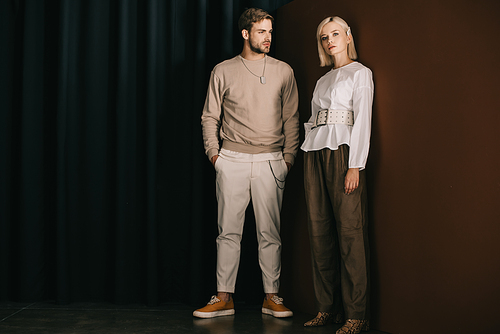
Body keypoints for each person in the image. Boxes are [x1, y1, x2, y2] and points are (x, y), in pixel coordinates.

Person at [194, 8, 299, 319]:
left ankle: (272, 297)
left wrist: (288, 159)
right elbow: (209, 116)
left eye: (270, 31)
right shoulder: (223, 70)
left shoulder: (283, 71)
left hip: (271, 160)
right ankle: (224, 297)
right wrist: (216, 156)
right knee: (228, 232)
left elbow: (292, 119)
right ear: (245, 34)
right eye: (261, 31)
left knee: (271, 234)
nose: (268, 37)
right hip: (232, 159)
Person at [301, 16, 373, 334]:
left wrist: (355, 164)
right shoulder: (322, 80)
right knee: (319, 232)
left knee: (350, 234)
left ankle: (357, 314)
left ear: (347, 36)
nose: (329, 40)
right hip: (314, 154)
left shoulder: (361, 74)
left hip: (343, 155)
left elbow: (363, 120)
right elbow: (313, 119)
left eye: (334, 34)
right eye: (323, 37)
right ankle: (327, 308)